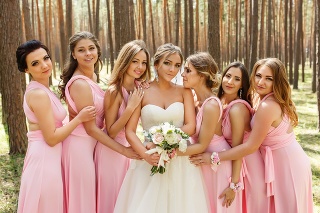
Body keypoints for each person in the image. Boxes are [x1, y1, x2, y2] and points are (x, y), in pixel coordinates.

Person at [208, 58, 313, 212]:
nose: (261, 82)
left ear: (277, 81)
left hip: (288, 164)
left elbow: (251, 146)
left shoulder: (267, 105)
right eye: (258, 76)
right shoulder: (261, 98)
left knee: (290, 207)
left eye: (268, 79)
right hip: (277, 161)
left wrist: (214, 157)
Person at [114, 43, 210, 213]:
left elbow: (190, 126)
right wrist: (145, 155)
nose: (172, 69)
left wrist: (165, 141)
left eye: (177, 65)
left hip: (180, 161)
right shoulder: (141, 91)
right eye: (167, 63)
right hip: (150, 158)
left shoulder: (184, 92)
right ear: (156, 64)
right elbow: (130, 131)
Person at [59, 31, 139, 213]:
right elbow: (91, 129)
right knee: (82, 202)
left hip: (94, 147)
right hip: (79, 148)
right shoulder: (80, 84)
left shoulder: (94, 78)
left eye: (91, 48)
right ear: (73, 54)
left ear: (97, 50)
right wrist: (123, 150)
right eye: (81, 50)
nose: (88, 53)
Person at [16, 40, 95, 213]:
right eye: (35, 63)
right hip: (44, 160)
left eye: (46, 58)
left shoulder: (42, 89)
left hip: (49, 158)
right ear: (26, 69)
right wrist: (79, 119)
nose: (44, 65)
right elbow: (51, 138)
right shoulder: (38, 94)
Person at [180, 52, 242, 212]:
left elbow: (202, 145)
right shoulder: (194, 100)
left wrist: (167, 152)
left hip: (219, 168)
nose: (182, 74)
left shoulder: (211, 106)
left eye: (188, 70)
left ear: (201, 75)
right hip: (202, 165)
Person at [95, 40, 150, 213]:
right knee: (110, 201)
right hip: (110, 153)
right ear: (125, 61)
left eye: (143, 62)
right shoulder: (114, 91)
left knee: (125, 202)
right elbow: (111, 131)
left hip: (129, 151)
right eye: (135, 61)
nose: (140, 66)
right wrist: (131, 107)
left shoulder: (139, 88)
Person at [217, 61, 268, 212]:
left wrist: (234, 185)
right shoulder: (221, 103)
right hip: (235, 163)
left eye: (237, 79)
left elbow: (238, 148)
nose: (230, 82)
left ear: (242, 84)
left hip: (249, 164)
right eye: (228, 76)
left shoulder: (237, 109)